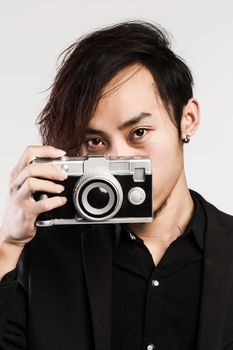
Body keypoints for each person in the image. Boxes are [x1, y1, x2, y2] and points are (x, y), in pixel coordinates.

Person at [0, 20, 232, 350]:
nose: (117, 160)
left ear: (187, 120)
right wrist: (8, 245)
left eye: (138, 133)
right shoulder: (44, 253)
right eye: (96, 141)